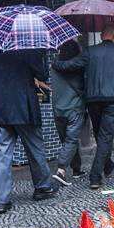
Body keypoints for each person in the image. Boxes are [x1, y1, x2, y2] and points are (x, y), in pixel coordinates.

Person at [53, 27, 114, 191]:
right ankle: (95, 176)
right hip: (112, 100)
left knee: (102, 136)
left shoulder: (90, 51)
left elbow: (72, 65)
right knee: (105, 138)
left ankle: (108, 165)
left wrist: (56, 63)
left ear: (101, 35)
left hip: (93, 100)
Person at [0, 44, 57, 213]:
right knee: (35, 149)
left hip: (1, 106)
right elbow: (42, 74)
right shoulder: (29, 48)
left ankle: (1, 201)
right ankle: (43, 187)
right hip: (23, 106)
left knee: (1, 154)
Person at [50, 40, 85, 185]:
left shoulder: (54, 66)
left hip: (58, 109)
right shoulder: (78, 67)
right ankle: (61, 170)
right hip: (74, 108)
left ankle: (76, 169)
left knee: (69, 140)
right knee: (71, 140)